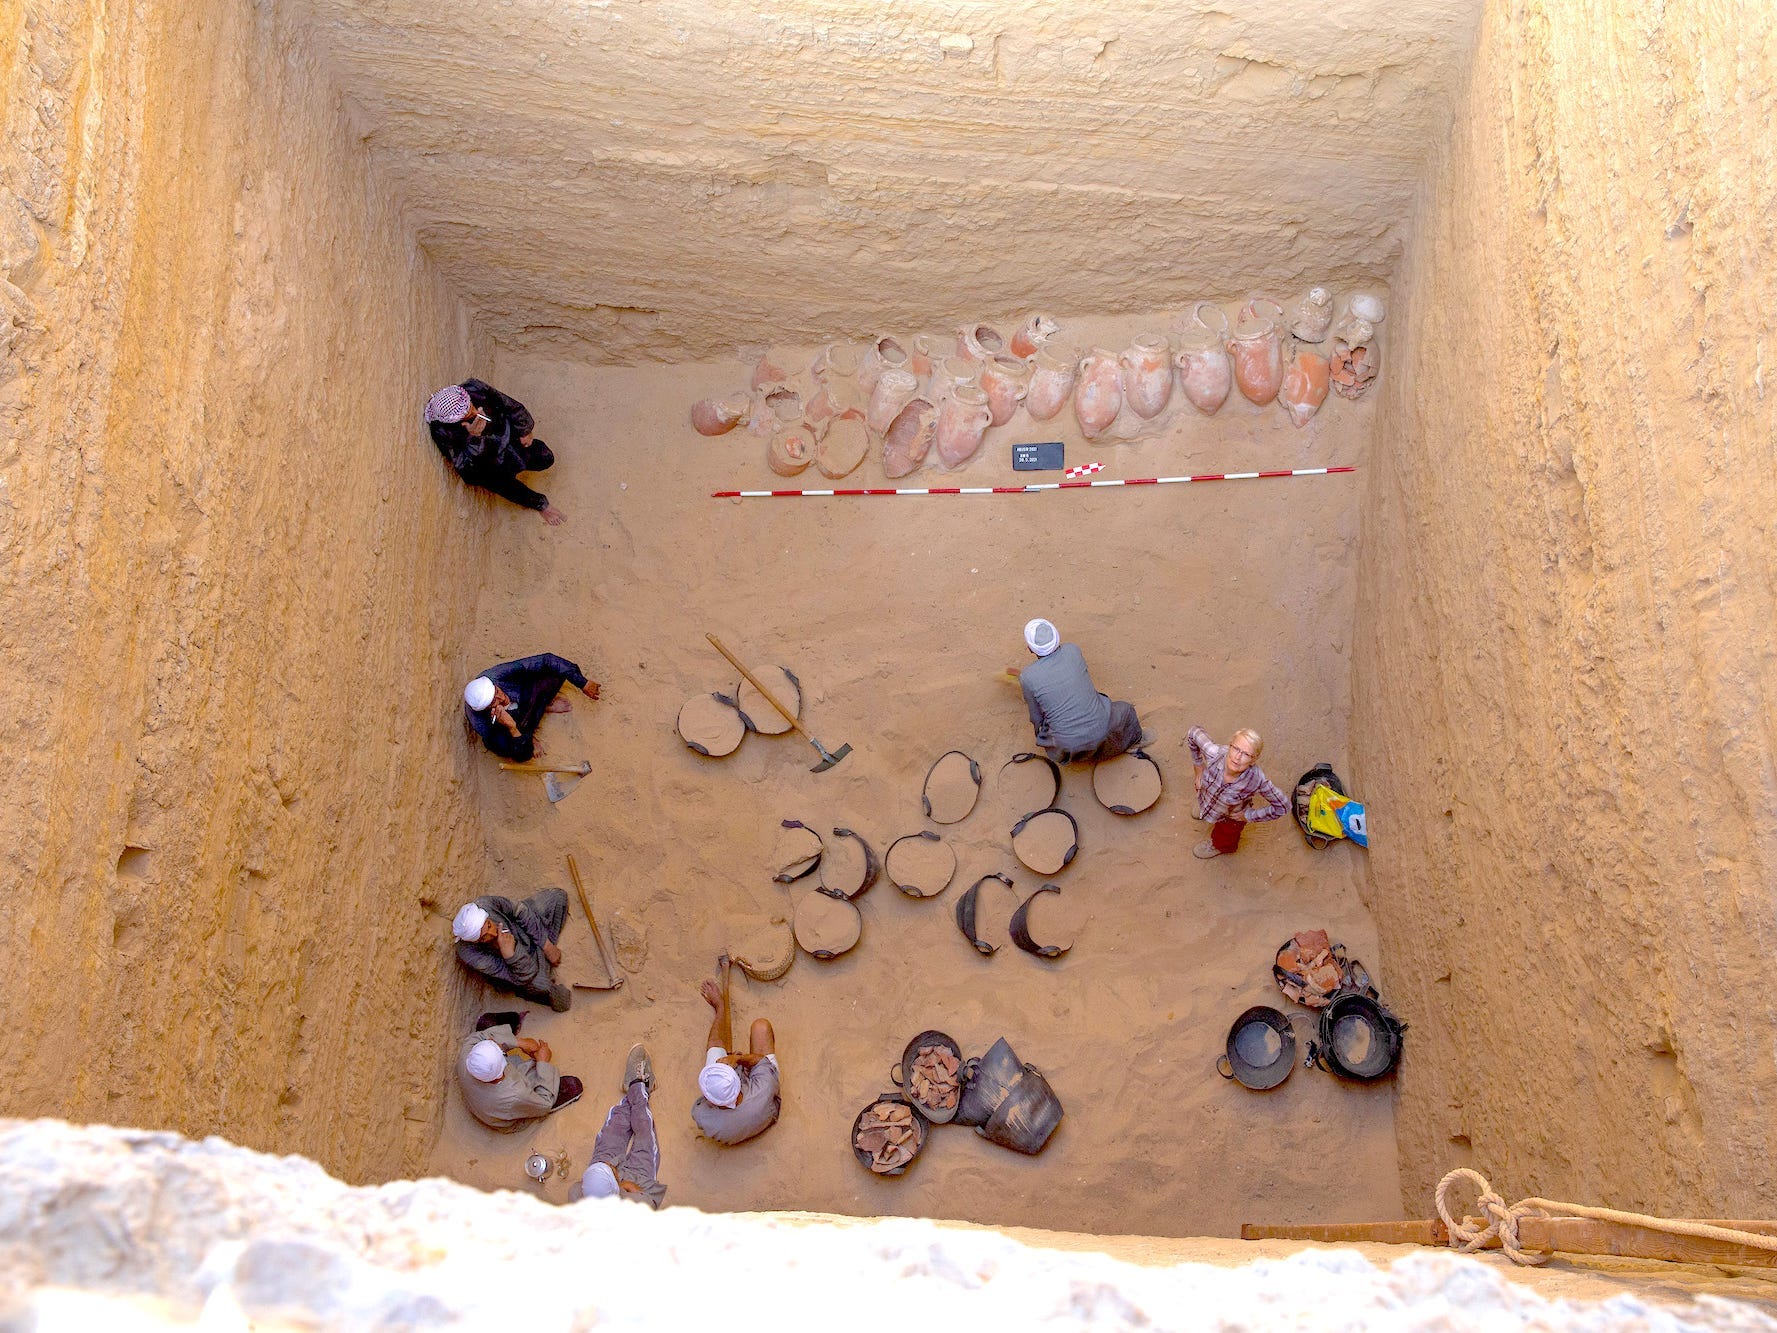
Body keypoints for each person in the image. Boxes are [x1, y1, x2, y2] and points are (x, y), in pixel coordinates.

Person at [425, 380, 566, 525]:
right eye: (467, 415)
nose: (474, 412)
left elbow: (510, 406)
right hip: (489, 466)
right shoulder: (443, 432)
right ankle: (540, 505)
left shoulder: (474, 388)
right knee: (504, 485)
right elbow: (468, 472)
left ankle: (518, 464)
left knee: (545, 458)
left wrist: (525, 429)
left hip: (509, 440)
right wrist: (475, 440)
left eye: (471, 406)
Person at [1011, 618, 1148, 764]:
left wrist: (1043, 736)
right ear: (1057, 638)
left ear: (1031, 649)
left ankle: (1073, 755)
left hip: (1068, 746)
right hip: (1103, 729)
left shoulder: (1027, 676)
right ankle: (1135, 740)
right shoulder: (1072, 650)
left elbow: (1036, 718)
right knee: (1125, 709)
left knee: (1054, 731)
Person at [691, 957, 780, 1145]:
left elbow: (702, 1104)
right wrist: (739, 1060)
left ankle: (720, 1007)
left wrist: (733, 1060)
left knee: (716, 1043)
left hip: (744, 1110)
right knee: (761, 1027)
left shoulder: (702, 1115)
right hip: (763, 1106)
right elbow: (761, 1062)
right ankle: (721, 1006)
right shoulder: (765, 1089)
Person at [457, 1010, 583, 1131]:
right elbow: (544, 1103)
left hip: (484, 1099)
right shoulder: (515, 1094)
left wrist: (520, 1043)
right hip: (505, 1109)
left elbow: (480, 1037)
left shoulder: (467, 1054)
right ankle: (536, 1098)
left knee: (487, 1024)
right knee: (572, 1086)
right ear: (504, 1065)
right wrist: (543, 1062)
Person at [464, 653, 600, 762]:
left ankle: (545, 705)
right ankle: (529, 735)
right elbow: (521, 755)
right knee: (521, 747)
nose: (501, 698)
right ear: (486, 709)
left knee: (555, 672)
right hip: (511, 724)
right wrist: (512, 728)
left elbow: (547, 660)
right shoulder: (482, 724)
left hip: (523, 695)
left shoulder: (495, 676)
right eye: (493, 701)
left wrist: (583, 683)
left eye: (497, 692)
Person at [453, 891, 574, 1011]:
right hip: (519, 969)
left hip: (522, 933)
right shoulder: (468, 953)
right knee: (542, 985)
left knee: (557, 897)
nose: (493, 933)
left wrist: (546, 945)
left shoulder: (485, 904)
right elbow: (520, 977)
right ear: (475, 941)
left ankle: (544, 949)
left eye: (489, 925)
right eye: (484, 937)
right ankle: (542, 972)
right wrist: (511, 955)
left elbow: (520, 911)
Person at [577, 1044, 666, 1209]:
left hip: (606, 1184)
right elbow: (645, 1198)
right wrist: (626, 1187)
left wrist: (604, 1176)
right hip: (638, 1178)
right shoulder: (637, 1208)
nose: (611, 1164)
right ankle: (639, 1085)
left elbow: (581, 1186)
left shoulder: (577, 1195)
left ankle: (636, 1087)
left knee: (613, 1128)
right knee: (645, 1133)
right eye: (610, 1167)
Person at [1187, 725, 1288, 858]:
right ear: (1230, 746)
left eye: (1246, 754)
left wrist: (1249, 815)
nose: (1237, 757)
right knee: (1205, 798)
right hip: (1208, 796)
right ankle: (1206, 809)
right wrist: (1198, 768)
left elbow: (1283, 806)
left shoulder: (1256, 780)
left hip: (1230, 815)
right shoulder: (1214, 753)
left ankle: (1220, 846)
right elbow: (1193, 733)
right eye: (1236, 748)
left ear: (1254, 759)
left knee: (1226, 835)